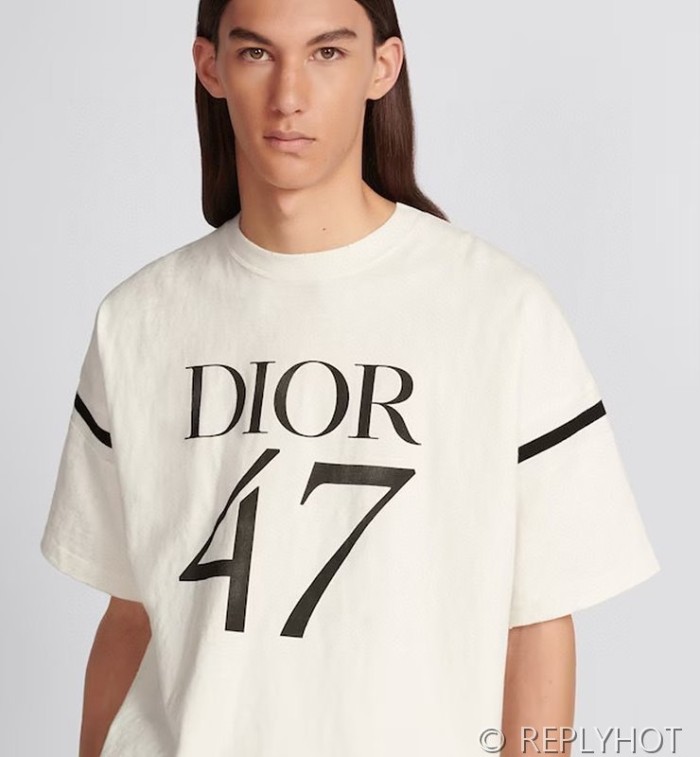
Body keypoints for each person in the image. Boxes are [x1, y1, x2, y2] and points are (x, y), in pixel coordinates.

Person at [39, 0, 661, 755]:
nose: (289, 95)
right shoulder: (138, 320)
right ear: (210, 66)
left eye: (327, 53)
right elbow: (133, 612)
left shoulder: (500, 312)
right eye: (257, 53)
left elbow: (536, 622)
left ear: (382, 66)